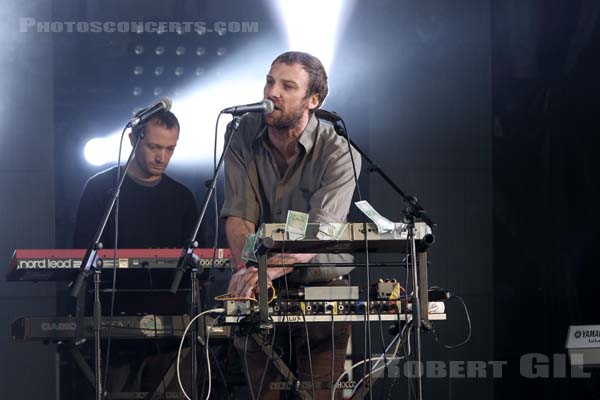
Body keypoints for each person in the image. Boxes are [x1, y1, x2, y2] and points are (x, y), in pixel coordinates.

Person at [221, 51, 361, 399]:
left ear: (313, 100)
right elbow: (239, 215)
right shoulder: (242, 136)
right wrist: (250, 268)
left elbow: (320, 231)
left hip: (322, 285)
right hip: (261, 287)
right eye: (270, 81)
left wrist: (266, 269)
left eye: (287, 85)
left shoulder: (340, 153)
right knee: (262, 393)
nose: (272, 92)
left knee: (318, 393)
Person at [72, 110, 199, 395]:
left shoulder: (182, 198)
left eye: (170, 149)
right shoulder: (101, 190)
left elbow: (200, 265)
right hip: (112, 331)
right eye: (154, 147)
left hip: (172, 331)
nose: (161, 157)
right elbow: (78, 258)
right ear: (132, 139)